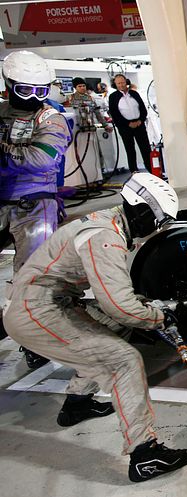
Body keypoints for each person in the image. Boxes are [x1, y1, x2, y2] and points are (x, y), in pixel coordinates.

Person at [3, 173, 187, 482]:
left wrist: (146, 307)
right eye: (159, 221)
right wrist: (159, 318)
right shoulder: (104, 237)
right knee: (124, 360)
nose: (157, 229)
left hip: (52, 300)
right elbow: (119, 306)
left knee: (114, 329)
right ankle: (145, 455)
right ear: (144, 212)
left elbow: (117, 303)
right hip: (36, 310)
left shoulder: (111, 222)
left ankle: (77, 403)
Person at [0, 51, 71, 367]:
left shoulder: (51, 118)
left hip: (36, 205)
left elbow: (42, 158)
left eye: (40, 91)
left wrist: (4, 149)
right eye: (24, 90)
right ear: (8, 85)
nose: (33, 98)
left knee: (32, 276)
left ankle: (34, 341)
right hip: (3, 201)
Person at [109, 74, 151, 173]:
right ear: (115, 84)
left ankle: (151, 170)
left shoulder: (134, 93)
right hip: (125, 127)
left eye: (123, 82)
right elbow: (115, 114)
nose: (121, 85)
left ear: (126, 82)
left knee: (146, 149)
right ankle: (134, 171)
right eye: (119, 83)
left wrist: (140, 120)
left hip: (139, 124)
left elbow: (143, 109)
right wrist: (128, 124)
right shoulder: (113, 97)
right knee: (130, 149)